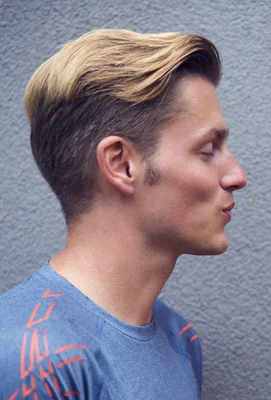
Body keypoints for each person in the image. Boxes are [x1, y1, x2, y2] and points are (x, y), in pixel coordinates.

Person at [0, 29, 247, 399]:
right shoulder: (30, 358)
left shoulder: (180, 338)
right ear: (121, 165)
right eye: (208, 148)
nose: (237, 176)